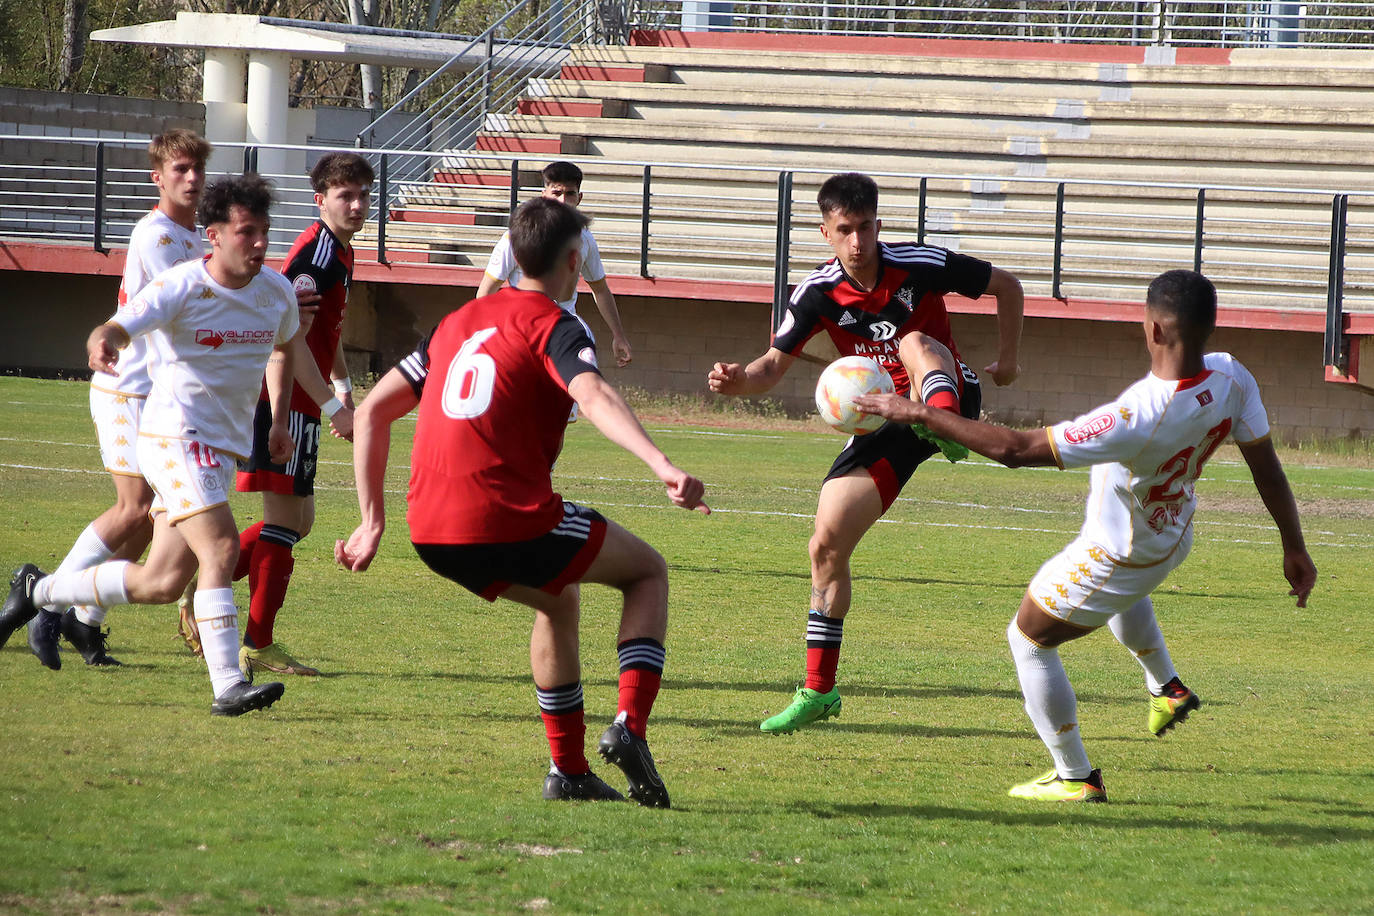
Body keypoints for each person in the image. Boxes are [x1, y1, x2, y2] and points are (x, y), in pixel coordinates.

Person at [855, 269, 1317, 802]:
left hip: (1119, 555)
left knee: (1027, 639)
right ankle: (1167, 688)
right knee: (1122, 598)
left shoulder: (1136, 416)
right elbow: (1267, 467)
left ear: (1154, 331)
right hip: (1173, 531)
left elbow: (1015, 450)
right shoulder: (1233, 376)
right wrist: (1294, 545)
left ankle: (1076, 777)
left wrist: (917, 412)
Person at [336, 197, 707, 806]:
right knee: (647, 572)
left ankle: (569, 773)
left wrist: (370, 521)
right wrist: (660, 463)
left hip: (428, 527)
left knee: (557, 599)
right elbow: (593, 395)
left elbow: (373, 410)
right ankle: (630, 728)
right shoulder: (556, 324)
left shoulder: (457, 321)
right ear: (573, 259)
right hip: (505, 515)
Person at [707, 172, 1025, 734]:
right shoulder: (816, 294)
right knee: (825, 543)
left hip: (948, 394)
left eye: (867, 227)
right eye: (846, 230)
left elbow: (1009, 286)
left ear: (880, 223)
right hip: (884, 416)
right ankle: (818, 692)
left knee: (914, 342)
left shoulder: (921, 264)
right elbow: (771, 366)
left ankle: (941, 422)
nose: (858, 241)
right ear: (826, 232)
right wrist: (738, 381)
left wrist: (1009, 360)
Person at [2, 174, 302, 716]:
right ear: (214, 235)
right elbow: (119, 325)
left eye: (264, 232)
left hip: (221, 446)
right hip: (174, 437)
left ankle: (40, 591)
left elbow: (284, 350)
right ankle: (228, 683)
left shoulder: (276, 291)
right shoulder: (182, 286)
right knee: (222, 549)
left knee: (163, 582)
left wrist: (279, 419)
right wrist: (103, 342)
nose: (259, 243)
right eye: (247, 232)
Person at [16, 130, 211, 670]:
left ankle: (84, 619)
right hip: (128, 388)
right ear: (158, 177)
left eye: (197, 168)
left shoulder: (200, 241)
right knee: (133, 510)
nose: (191, 178)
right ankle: (45, 600)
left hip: (164, 399)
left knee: (151, 516)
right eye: (179, 169)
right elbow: (191, 302)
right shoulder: (157, 234)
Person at [203, 151, 373, 679]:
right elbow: (285, 340)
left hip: (307, 400)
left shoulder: (339, 253)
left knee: (300, 521)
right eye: (345, 195)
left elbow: (327, 333)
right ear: (320, 199)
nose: (358, 204)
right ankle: (255, 640)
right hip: (285, 401)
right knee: (283, 523)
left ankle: (203, 584)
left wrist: (342, 388)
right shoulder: (314, 257)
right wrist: (284, 416)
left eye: (364, 194)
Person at [476, 160, 633, 372]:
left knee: (575, 397)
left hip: (564, 334)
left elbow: (600, 289)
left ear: (579, 198)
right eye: (556, 193)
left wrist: (619, 335)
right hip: (522, 331)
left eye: (570, 194)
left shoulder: (585, 238)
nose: (563, 201)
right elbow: (486, 291)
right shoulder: (517, 237)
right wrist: (488, 335)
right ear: (544, 195)